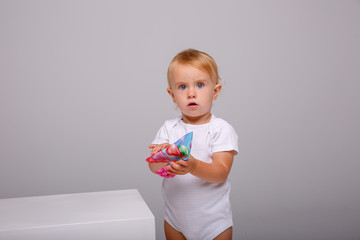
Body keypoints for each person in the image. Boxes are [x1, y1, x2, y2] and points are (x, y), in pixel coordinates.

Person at [148, 49, 238, 240]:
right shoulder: (169, 129)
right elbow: (153, 167)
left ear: (215, 91)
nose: (191, 93)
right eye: (182, 87)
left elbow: (221, 172)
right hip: (175, 222)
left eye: (199, 85)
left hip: (214, 225)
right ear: (172, 95)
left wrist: (194, 166)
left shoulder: (220, 129)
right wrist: (162, 155)